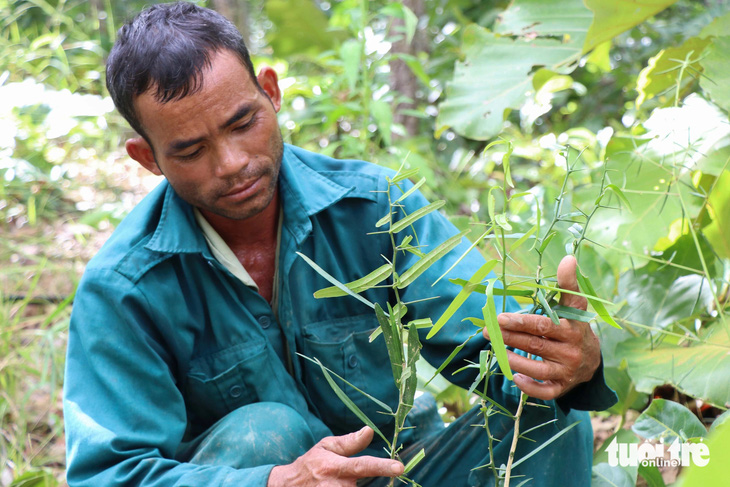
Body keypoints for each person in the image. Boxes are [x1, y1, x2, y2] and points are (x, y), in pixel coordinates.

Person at [63, 2, 617, 486]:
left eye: (242, 123)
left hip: (401, 471)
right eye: (190, 151)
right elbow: (109, 473)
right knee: (266, 435)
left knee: (554, 414)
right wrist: (272, 480)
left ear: (272, 93)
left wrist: (566, 361)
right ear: (147, 159)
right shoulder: (124, 289)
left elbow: (497, 355)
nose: (232, 164)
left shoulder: (378, 208)